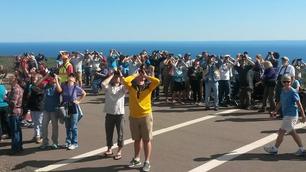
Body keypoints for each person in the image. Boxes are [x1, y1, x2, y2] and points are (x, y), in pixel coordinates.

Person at [123, 69, 160, 172]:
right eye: (140, 73)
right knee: (136, 139)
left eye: (142, 73)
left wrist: (146, 76)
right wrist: (135, 75)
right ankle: (136, 158)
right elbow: (125, 81)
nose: (141, 75)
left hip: (146, 116)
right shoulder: (131, 86)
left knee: (146, 140)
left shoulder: (149, 86)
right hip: (134, 116)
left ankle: (147, 162)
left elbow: (157, 81)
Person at [264, 75, 305, 156]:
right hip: (287, 115)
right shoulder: (283, 90)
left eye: (288, 81)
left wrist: (303, 115)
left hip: (291, 115)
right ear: (282, 82)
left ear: (291, 82)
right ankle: (301, 149)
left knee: (283, 132)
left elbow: (299, 104)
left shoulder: (293, 91)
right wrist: (275, 111)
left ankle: (275, 149)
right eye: (284, 81)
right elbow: (281, 102)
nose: (287, 83)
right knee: (290, 132)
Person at [56, 73, 86, 150]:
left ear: (75, 80)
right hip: (66, 107)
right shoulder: (64, 85)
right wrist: (57, 80)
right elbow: (59, 90)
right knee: (67, 126)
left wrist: (79, 101)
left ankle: (75, 143)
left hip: (73, 107)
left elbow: (84, 93)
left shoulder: (76, 87)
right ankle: (68, 142)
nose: (70, 78)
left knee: (73, 126)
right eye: (70, 76)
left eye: (72, 77)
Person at [101, 71, 126, 160]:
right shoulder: (108, 87)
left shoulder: (123, 88)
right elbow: (103, 83)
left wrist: (121, 75)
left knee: (120, 134)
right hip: (109, 114)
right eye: (115, 77)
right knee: (109, 132)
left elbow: (127, 84)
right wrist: (112, 75)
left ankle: (119, 151)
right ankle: (109, 149)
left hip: (120, 114)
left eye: (117, 77)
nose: (116, 78)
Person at [38, 74, 61, 149]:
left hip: (54, 110)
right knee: (44, 126)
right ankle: (45, 143)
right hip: (46, 109)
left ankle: (55, 143)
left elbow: (60, 90)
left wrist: (57, 79)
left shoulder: (57, 85)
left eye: (53, 77)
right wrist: (45, 76)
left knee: (55, 127)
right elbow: (38, 84)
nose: (52, 78)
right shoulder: (46, 85)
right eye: (51, 77)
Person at [7, 75, 24, 154]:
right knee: (17, 130)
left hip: (15, 111)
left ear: (15, 81)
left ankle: (15, 149)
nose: (9, 81)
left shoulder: (16, 89)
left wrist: (6, 98)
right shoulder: (17, 88)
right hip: (17, 111)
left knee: (15, 131)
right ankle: (19, 147)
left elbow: (13, 103)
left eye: (11, 80)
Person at [27, 74, 44, 144]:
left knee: (39, 123)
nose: (33, 80)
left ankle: (40, 136)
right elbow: (28, 95)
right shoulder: (31, 86)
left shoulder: (41, 87)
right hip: (33, 107)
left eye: (35, 79)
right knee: (35, 122)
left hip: (39, 107)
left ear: (39, 80)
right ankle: (36, 135)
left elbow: (37, 91)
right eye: (33, 79)